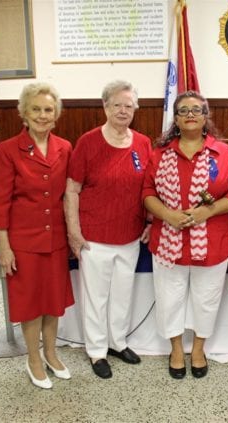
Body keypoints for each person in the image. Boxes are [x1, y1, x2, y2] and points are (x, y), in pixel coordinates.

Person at [143, 91, 228, 380]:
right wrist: (168, 215)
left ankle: (199, 349)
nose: (190, 114)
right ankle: (176, 349)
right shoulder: (159, 154)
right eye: (183, 110)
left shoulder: (225, 154)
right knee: (169, 298)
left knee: (206, 299)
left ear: (205, 117)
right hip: (167, 241)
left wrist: (206, 213)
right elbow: (147, 192)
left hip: (212, 242)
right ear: (175, 119)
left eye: (196, 110)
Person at [64, 80, 152, 379]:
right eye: (117, 105)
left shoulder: (142, 142)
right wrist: (73, 233)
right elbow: (72, 190)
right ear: (105, 107)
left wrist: (151, 221)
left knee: (122, 295)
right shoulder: (88, 142)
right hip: (94, 238)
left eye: (129, 105)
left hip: (130, 235)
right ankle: (97, 351)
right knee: (96, 298)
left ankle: (117, 342)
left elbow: (149, 188)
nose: (123, 110)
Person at [0, 82, 74, 389]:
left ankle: (52, 354)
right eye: (36, 109)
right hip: (23, 241)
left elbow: (70, 194)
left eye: (48, 109)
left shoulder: (64, 147)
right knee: (30, 303)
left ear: (56, 115)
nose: (42, 115)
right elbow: (0, 202)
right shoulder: (9, 150)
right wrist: (5, 247)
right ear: (24, 114)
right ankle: (34, 358)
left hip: (55, 239)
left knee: (53, 302)